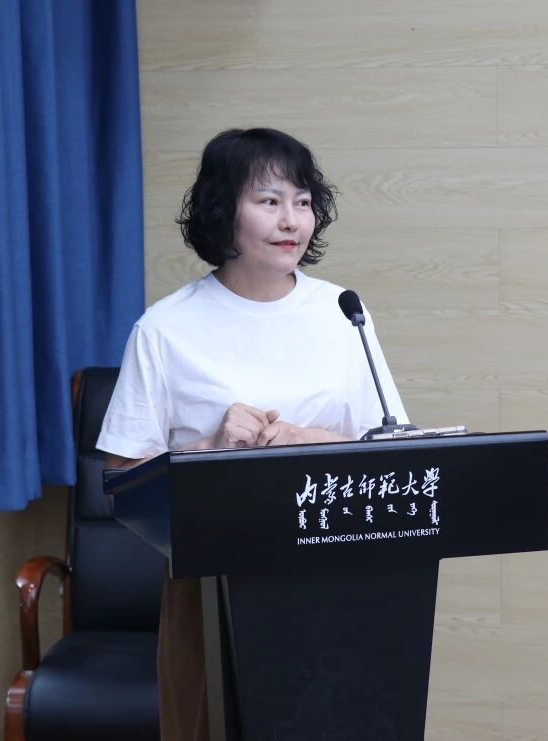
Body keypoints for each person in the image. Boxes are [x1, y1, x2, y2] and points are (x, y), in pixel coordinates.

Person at [95, 127, 407, 741]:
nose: (291, 219)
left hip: (335, 567)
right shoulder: (165, 328)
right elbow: (120, 482)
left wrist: (311, 440)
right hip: (212, 579)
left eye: (302, 201)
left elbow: (391, 446)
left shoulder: (342, 311)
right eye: (269, 201)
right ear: (223, 211)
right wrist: (210, 450)